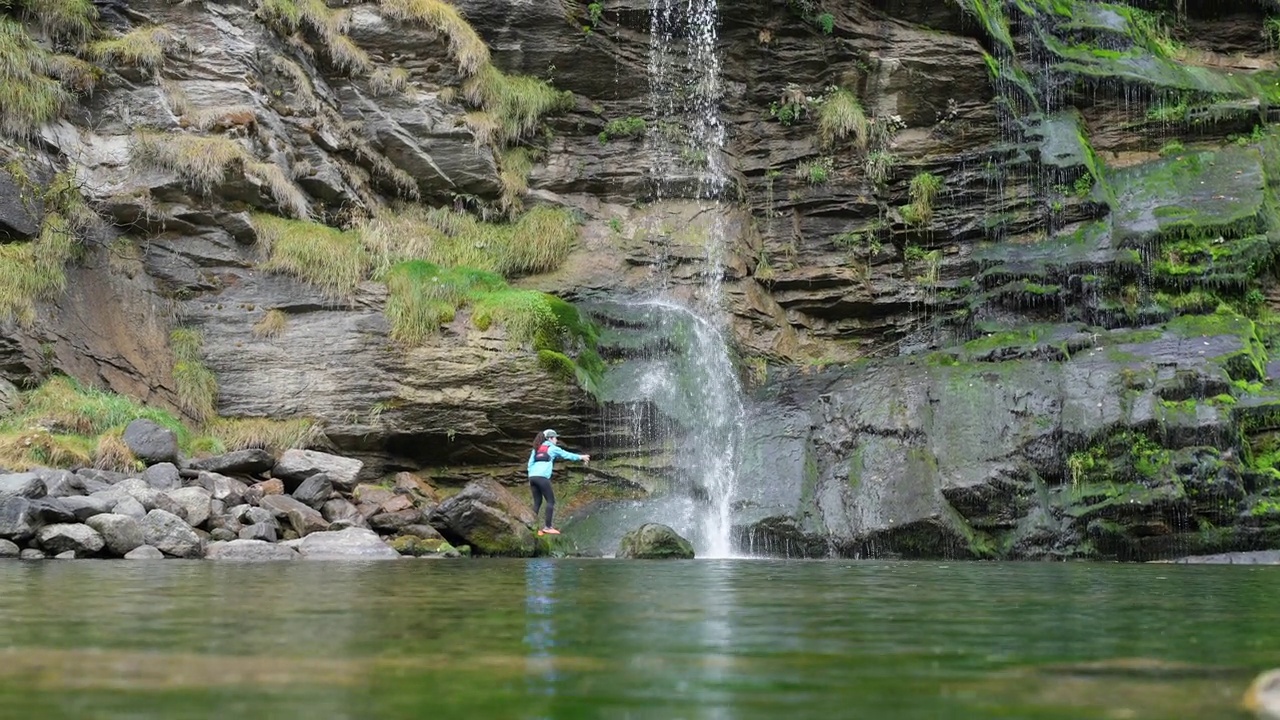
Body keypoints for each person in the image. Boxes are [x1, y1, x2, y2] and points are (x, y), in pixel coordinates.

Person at [527, 429, 589, 536]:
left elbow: (530, 464)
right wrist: (581, 457)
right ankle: (548, 527)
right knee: (550, 501)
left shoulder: (536, 449)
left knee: (537, 502)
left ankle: (533, 527)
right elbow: (566, 455)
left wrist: (531, 476)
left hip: (532, 477)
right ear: (550, 438)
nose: (556, 440)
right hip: (542, 478)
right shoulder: (552, 448)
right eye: (555, 438)